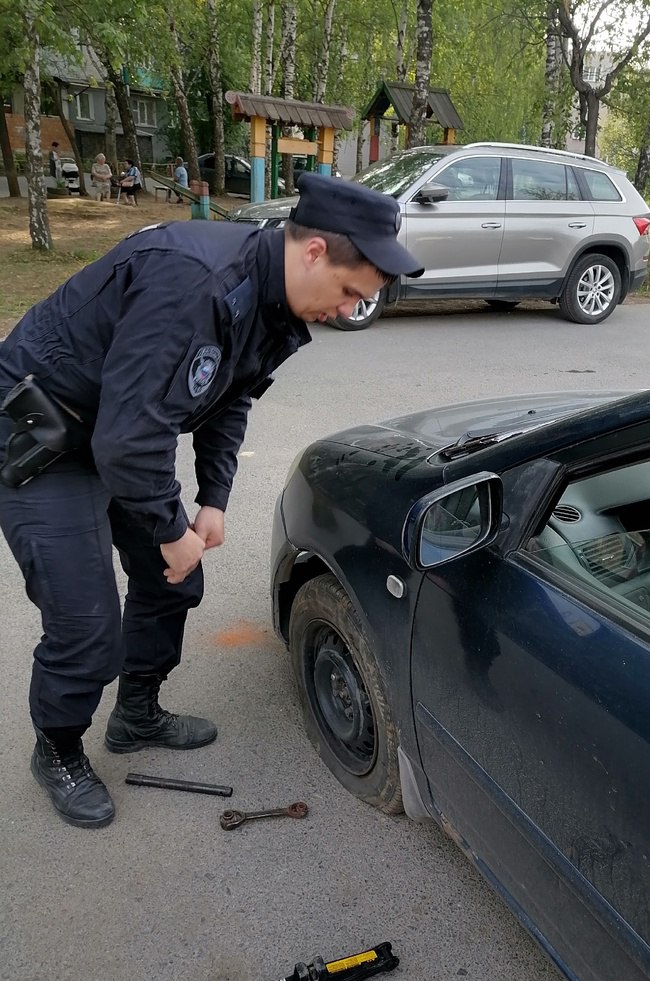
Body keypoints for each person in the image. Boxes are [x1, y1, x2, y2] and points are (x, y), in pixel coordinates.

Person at [0, 173, 424, 829]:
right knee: (86, 623)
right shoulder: (191, 281)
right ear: (313, 252)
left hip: (113, 429)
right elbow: (126, 442)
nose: (347, 311)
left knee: (175, 576)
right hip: (42, 434)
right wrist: (171, 527)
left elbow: (230, 399)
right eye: (347, 293)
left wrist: (213, 501)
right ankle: (57, 749)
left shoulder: (275, 304)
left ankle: (137, 712)